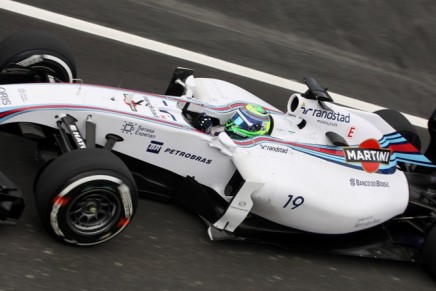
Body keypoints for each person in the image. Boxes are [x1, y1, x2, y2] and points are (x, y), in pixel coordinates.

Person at [194, 103, 271, 138]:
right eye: (236, 118)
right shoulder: (227, 130)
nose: (235, 122)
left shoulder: (242, 141)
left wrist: (207, 131)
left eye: (240, 122)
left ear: (253, 128)